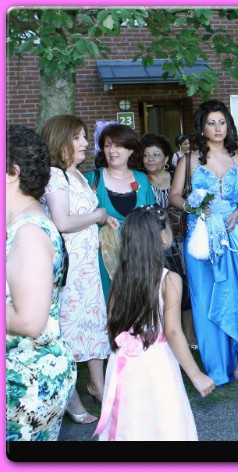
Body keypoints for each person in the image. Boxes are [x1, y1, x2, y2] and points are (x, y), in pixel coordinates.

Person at [95, 205, 215, 440]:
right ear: (163, 236)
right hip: (156, 361)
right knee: (161, 417)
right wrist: (196, 375)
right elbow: (172, 331)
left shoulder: (121, 278)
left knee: (131, 420)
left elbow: (112, 321)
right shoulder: (170, 279)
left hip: (124, 361)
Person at [169, 99, 238, 386]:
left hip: (231, 236)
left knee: (232, 297)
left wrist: (236, 214)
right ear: (202, 127)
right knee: (204, 299)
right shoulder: (190, 160)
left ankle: (237, 359)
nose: (218, 128)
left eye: (222, 122)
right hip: (200, 237)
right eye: (211, 123)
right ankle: (215, 366)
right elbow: (175, 195)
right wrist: (192, 207)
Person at [40, 115, 117, 424]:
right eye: (78, 137)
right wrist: (99, 214)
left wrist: (104, 218)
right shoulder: (54, 175)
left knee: (93, 323)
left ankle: (98, 386)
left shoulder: (77, 174)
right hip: (70, 266)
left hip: (88, 266)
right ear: (61, 142)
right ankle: (71, 397)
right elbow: (62, 221)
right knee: (70, 328)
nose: (86, 143)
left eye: (85, 136)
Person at [6, 125, 77, 440]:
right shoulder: (17, 224)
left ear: (12, 173)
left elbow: (30, 321)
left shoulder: (30, 232)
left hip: (24, 383)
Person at [85, 124, 156, 303]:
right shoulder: (92, 179)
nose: (112, 151)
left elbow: (152, 216)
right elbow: (81, 216)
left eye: (118, 145)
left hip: (137, 253)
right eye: (107, 145)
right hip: (103, 256)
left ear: (131, 150)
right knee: (108, 302)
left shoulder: (142, 179)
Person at [141, 133, 195, 348]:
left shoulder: (176, 177)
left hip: (180, 238)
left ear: (165, 158)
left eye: (156, 155)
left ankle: (188, 335)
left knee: (185, 284)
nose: (150, 159)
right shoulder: (141, 181)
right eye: (146, 155)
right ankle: (161, 334)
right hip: (154, 241)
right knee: (158, 286)